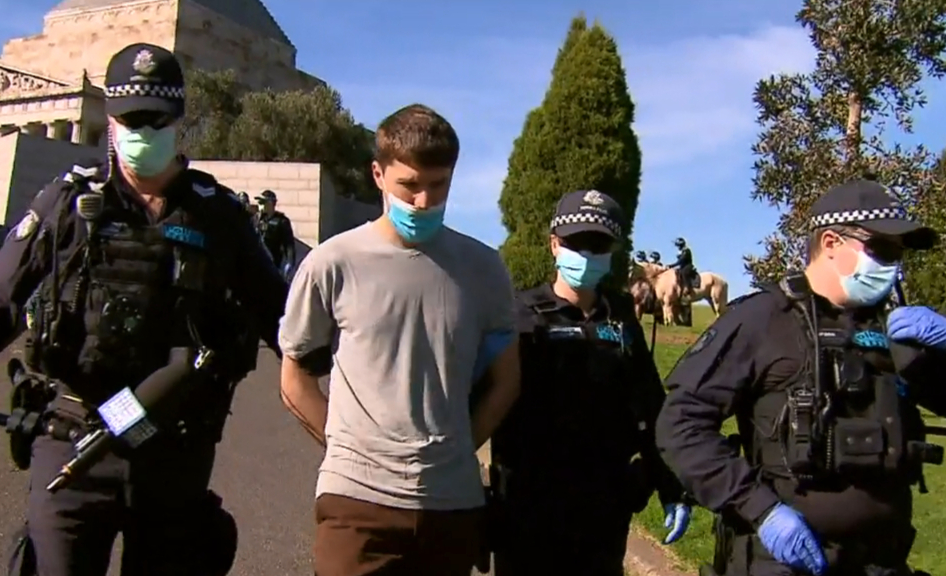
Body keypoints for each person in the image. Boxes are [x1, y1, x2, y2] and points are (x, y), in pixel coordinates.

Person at [0, 42, 288, 576]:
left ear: (178, 123)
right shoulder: (67, 204)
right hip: (71, 432)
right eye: (129, 119)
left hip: (173, 447)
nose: (142, 133)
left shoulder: (219, 216)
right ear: (110, 120)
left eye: (156, 120)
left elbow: (283, 319)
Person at [656, 179, 946, 576]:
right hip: (789, 564)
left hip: (883, 562)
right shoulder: (762, 320)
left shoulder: (897, 330)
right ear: (830, 243)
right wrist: (762, 510)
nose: (893, 264)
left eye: (900, 253)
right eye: (881, 248)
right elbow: (680, 423)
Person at [278, 103, 521, 576]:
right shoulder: (333, 263)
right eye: (409, 185)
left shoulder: (484, 269)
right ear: (378, 174)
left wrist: (458, 448)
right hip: (357, 508)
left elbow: (506, 379)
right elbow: (294, 378)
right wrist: (347, 448)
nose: (423, 201)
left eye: (438, 185)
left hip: (452, 508)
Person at [487, 190, 691, 576]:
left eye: (597, 244)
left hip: (603, 507)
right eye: (576, 243)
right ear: (554, 245)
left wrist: (669, 484)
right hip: (530, 507)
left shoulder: (621, 320)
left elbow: (650, 402)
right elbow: (482, 400)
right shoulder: (517, 314)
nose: (586, 254)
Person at [254, 189, 296, 276]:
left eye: (263, 202)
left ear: (271, 204)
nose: (260, 205)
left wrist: (289, 262)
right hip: (256, 263)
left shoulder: (281, 221)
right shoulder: (256, 219)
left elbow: (289, 244)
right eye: (259, 202)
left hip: (273, 263)